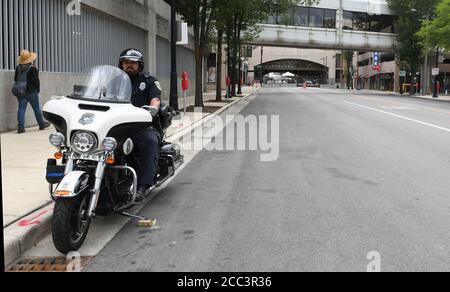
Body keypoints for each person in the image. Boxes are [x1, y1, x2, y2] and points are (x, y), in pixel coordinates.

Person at [118, 48, 162, 203]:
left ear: (139, 65)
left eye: (133, 63)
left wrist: (151, 110)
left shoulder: (149, 81)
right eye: (126, 62)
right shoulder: (115, 81)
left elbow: (155, 99)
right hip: (119, 125)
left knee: (150, 141)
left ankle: (143, 185)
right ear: (121, 64)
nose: (129, 65)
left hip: (142, 125)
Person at [14, 50, 50, 134]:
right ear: (30, 59)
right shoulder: (33, 68)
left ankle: (20, 128)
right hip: (31, 92)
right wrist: (37, 90)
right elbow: (35, 81)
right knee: (36, 108)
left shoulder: (18, 67)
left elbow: (15, 79)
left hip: (21, 91)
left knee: (21, 108)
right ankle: (41, 124)